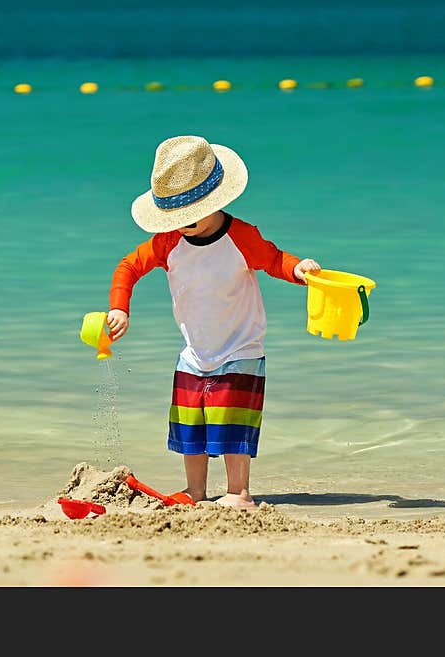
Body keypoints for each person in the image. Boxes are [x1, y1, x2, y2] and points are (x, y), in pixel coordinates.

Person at [106, 135, 321, 509]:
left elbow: (274, 260)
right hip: (194, 353)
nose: (182, 223)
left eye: (189, 214)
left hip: (240, 348)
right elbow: (128, 267)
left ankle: (239, 492)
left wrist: (298, 268)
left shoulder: (241, 236)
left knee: (232, 427)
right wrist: (120, 307)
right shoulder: (167, 242)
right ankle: (195, 490)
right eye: (176, 217)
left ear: (214, 201)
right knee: (192, 429)